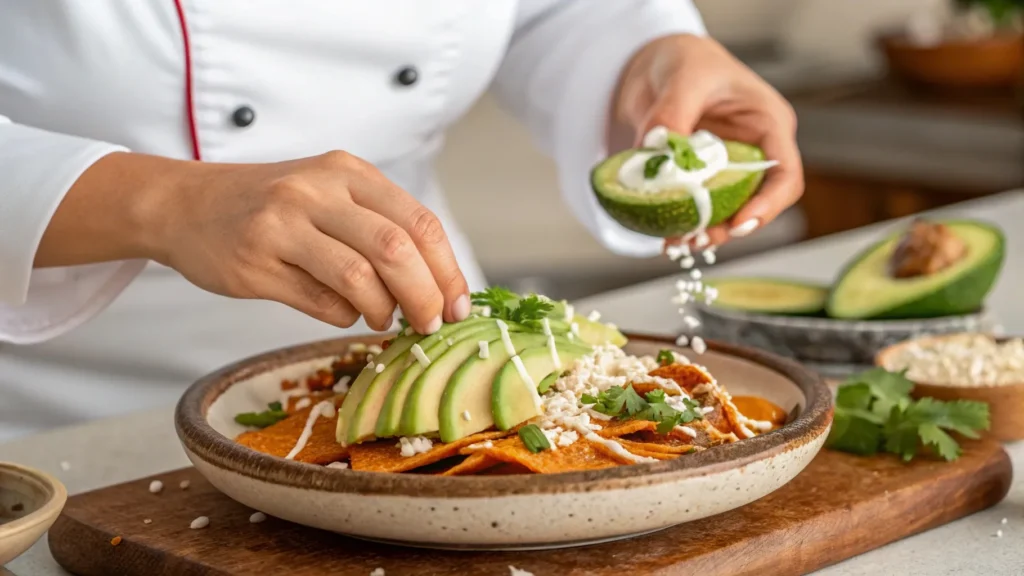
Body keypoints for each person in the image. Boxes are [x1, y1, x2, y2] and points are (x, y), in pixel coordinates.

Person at [0, 1, 803, 441]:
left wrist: (648, 53)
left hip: (447, 356)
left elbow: (551, 10)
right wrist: (165, 202)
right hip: (60, 419)